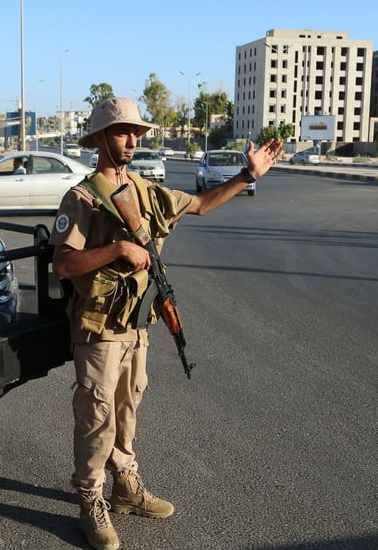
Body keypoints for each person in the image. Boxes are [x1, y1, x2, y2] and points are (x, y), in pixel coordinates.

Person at [49, 97, 281, 550]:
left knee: (127, 407)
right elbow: (62, 264)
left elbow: (200, 204)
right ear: (100, 138)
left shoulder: (146, 190)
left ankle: (125, 485)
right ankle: (89, 501)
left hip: (136, 324)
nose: (132, 140)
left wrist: (248, 174)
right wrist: (116, 251)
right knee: (96, 416)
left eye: (136, 132)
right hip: (98, 329)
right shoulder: (80, 199)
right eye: (122, 132)